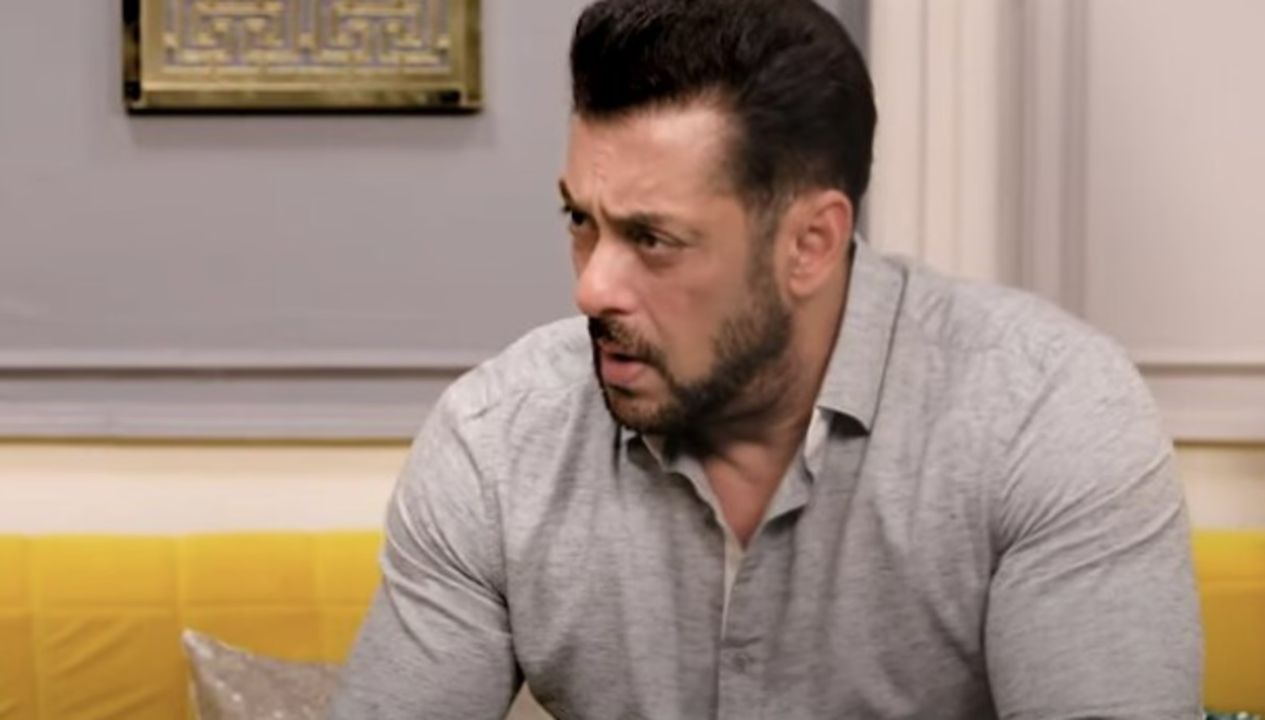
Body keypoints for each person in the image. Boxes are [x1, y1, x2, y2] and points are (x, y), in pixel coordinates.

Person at [330, 0, 1202, 717]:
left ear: (810, 243)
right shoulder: (497, 440)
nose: (592, 288)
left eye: (653, 239)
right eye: (579, 221)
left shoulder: (1042, 413)